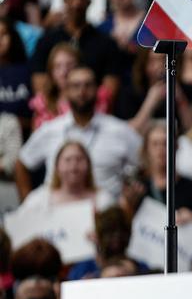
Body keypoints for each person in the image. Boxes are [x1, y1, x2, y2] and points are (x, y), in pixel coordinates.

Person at [15, 66, 142, 201]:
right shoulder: (50, 130)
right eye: (75, 86)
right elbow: (21, 163)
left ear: (97, 89)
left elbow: (146, 163)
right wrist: (27, 205)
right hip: (57, 213)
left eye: (88, 85)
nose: (82, 91)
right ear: (66, 91)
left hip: (105, 215)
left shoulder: (119, 130)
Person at [20, 141, 114, 212]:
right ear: (57, 167)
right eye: (67, 160)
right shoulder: (38, 199)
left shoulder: (104, 200)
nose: (73, 166)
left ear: (88, 166)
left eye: (79, 159)